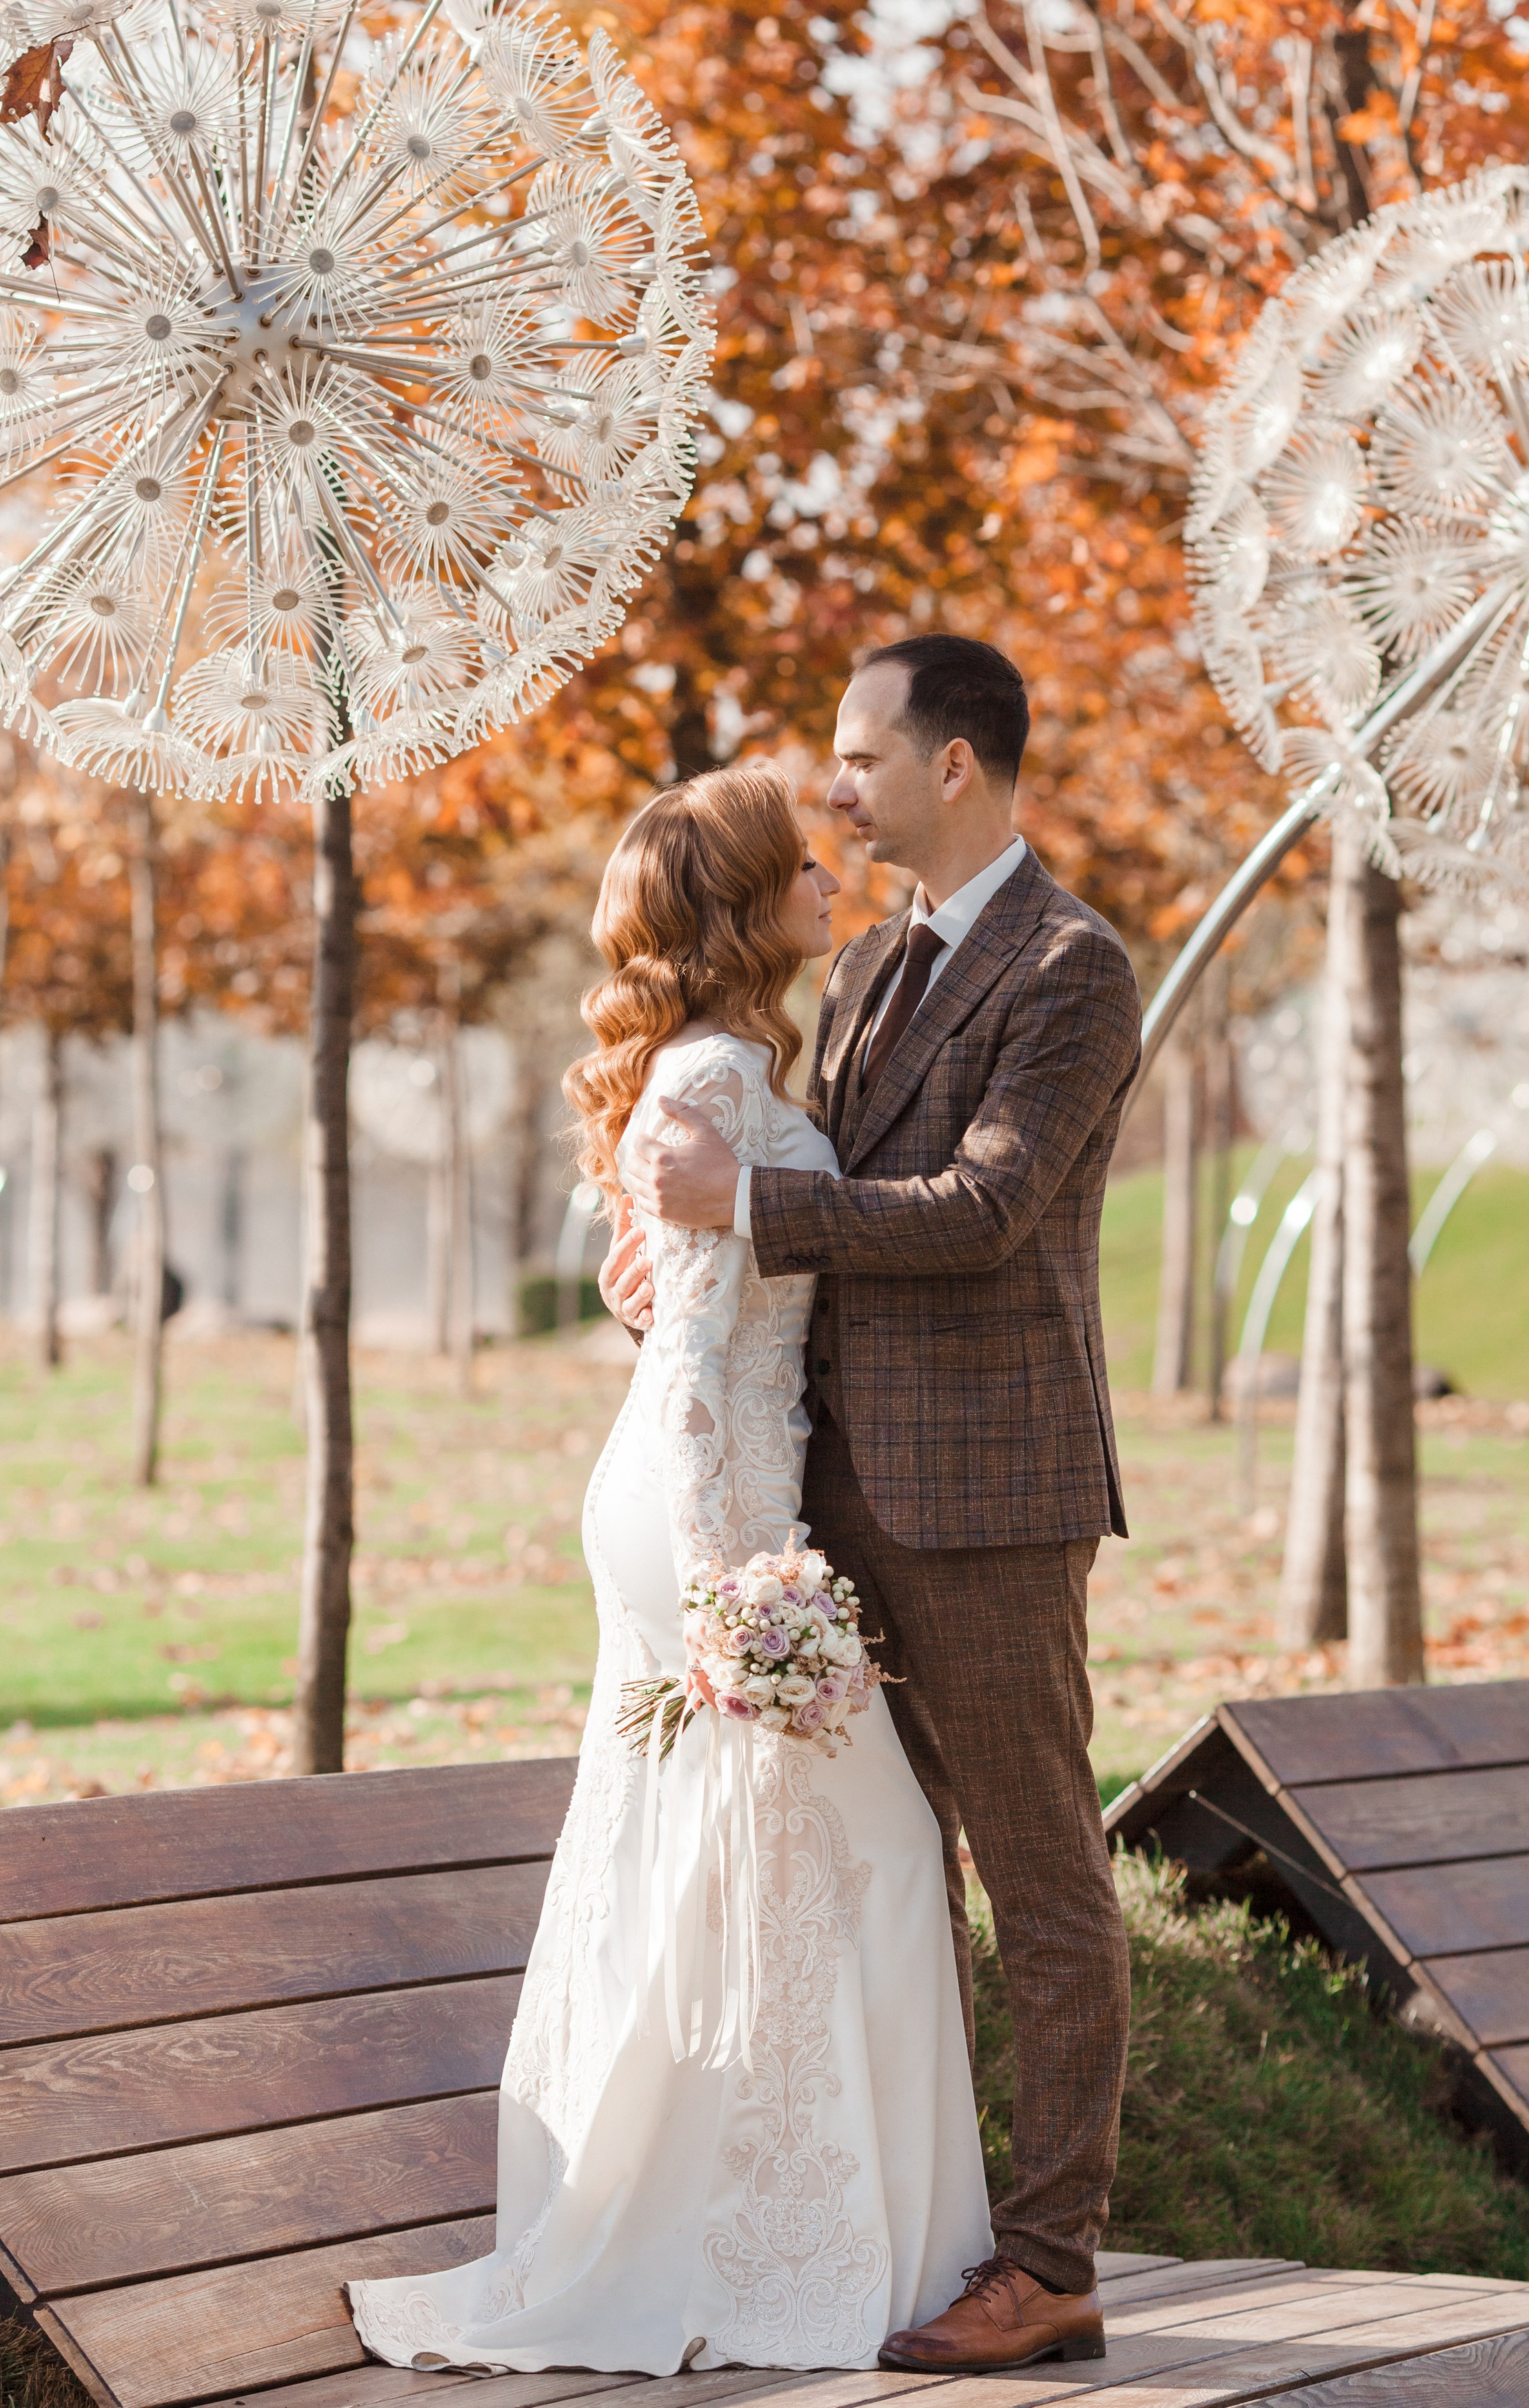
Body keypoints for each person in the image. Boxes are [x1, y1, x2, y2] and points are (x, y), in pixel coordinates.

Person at [347, 763, 992, 2380]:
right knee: (858, 1855)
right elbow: (696, 1357)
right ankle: (756, 2238)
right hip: (702, 1507)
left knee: (755, 1859)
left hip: (714, 1486)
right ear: (742, 902)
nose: (831, 880)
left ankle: (751, 2221)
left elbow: (682, 1307)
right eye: (801, 865)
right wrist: (736, 1587)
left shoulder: (738, 1064)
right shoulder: (711, 1075)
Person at [616, 634, 1142, 2372]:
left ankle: (1052, 2259)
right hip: (828, 1496)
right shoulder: (858, 973)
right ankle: (912, 2224)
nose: (831, 788)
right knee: (884, 1873)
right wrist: (678, 1262)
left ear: (956, 769)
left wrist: (744, 1212)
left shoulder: (1071, 967)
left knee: (1040, 1877)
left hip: (986, 1503)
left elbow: (980, 1211)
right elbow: (793, 1187)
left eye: (857, 756)